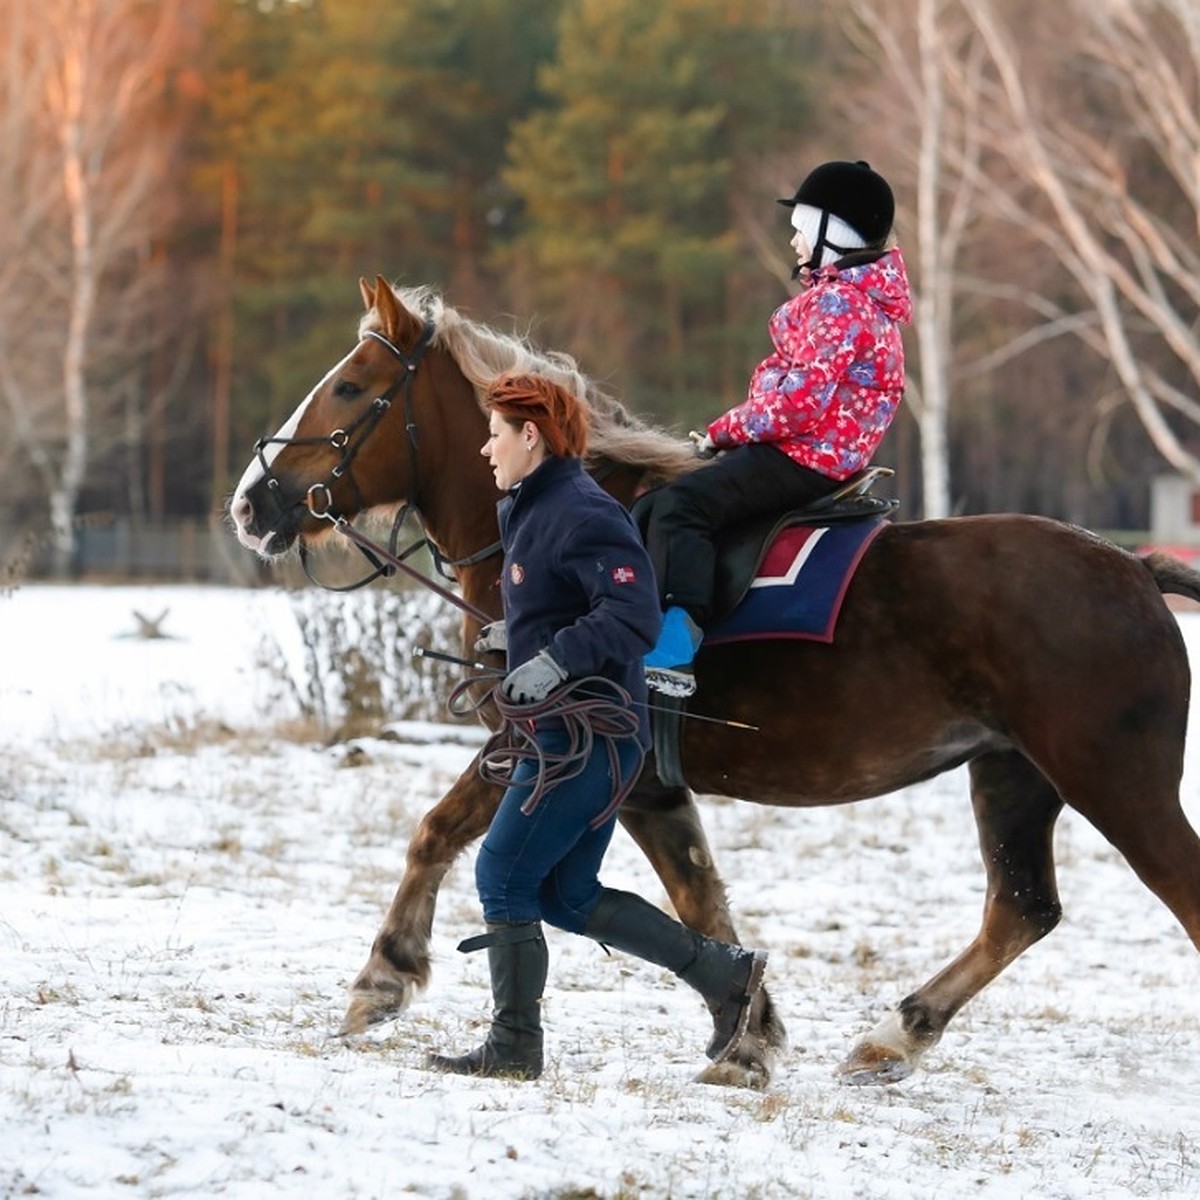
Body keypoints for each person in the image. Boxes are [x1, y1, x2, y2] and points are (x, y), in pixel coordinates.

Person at [428, 372, 768, 1080]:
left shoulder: (585, 511)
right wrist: (515, 642)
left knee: (503, 875)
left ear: (531, 436)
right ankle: (722, 975)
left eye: (495, 435)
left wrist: (552, 662)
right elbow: (564, 603)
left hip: (589, 739)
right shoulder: (530, 509)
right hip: (561, 736)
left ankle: (515, 1048)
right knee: (562, 893)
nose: (485, 450)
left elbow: (633, 616)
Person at [643, 160, 913, 691]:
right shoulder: (858, 303)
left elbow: (799, 405)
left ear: (831, 234)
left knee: (680, 505)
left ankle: (675, 642)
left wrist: (724, 430)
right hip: (817, 454)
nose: (792, 237)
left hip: (802, 456)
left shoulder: (838, 304)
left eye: (801, 226)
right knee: (652, 503)